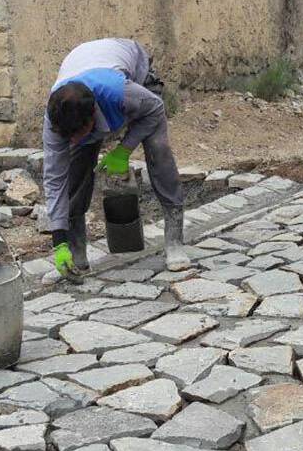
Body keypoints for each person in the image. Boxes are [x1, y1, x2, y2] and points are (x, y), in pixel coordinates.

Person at [42, 38, 191, 278]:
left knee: (158, 150)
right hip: (87, 63)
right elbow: (54, 180)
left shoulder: (121, 94)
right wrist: (58, 241)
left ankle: (174, 241)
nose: (71, 140)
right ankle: (76, 254)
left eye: (76, 135)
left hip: (134, 74)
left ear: (92, 118)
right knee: (74, 170)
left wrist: (123, 150)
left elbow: (154, 109)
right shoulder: (56, 118)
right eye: (66, 137)